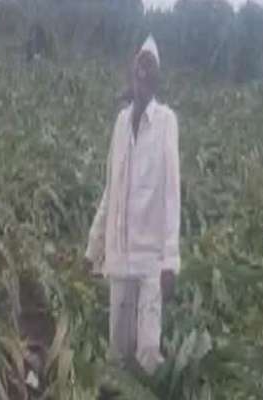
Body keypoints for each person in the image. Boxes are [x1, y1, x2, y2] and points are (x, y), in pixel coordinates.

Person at [84, 34, 180, 375]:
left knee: (149, 352)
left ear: (156, 80)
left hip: (152, 259)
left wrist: (170, 261)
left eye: (150, 70)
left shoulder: (167, 122)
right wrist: (92, 250)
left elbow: (171, 195)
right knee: (118, 350)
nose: (143, 75)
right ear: (132, 73)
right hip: (120, 257)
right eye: (139, 67)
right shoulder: (121, 123)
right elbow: (112, 190)